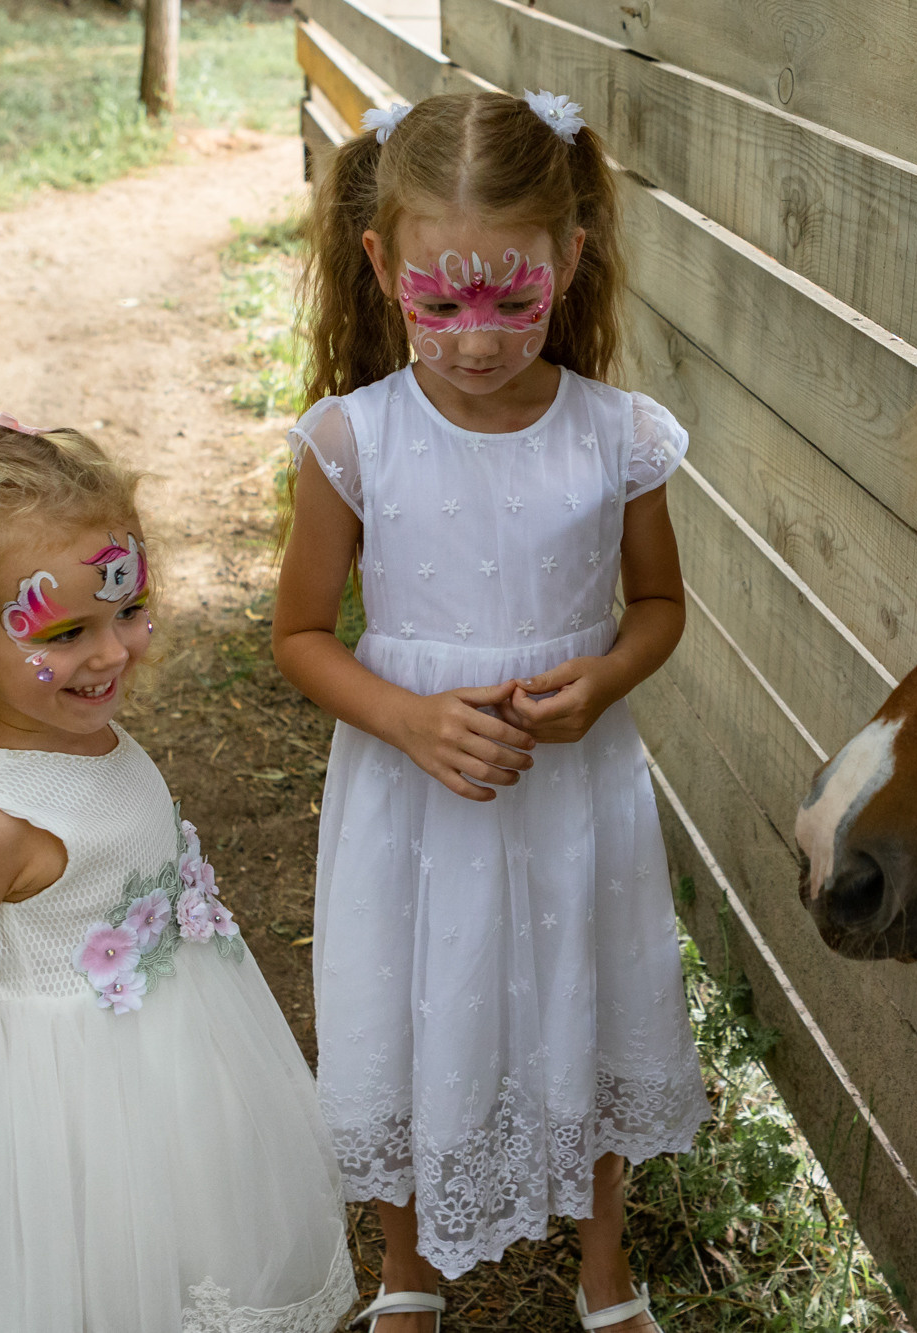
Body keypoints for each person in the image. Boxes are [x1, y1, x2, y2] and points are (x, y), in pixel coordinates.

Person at [274, 90, 710, 1332]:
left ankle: (604, 1267)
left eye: (511, 298)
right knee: (412, 991)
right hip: (417, 795)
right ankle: (406, 1264)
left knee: (586, 982)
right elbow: (300, 635)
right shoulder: (353, 442)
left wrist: (607, 678)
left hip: (573, 790)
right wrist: (406, 719)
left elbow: (660, 605)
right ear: (380, 264)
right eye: (440, 299)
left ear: (570, 259)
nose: (474, 339)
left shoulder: (619, 437)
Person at [0, 419, 354, 1332]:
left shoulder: (79, 736)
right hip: (51, 1127)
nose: (113, 651)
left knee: (163, 1266)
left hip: (162, 1076)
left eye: (127, 608)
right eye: (69, 630)